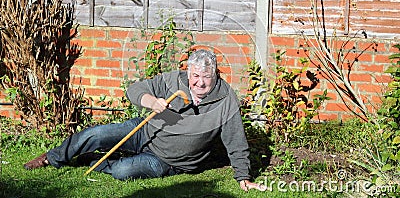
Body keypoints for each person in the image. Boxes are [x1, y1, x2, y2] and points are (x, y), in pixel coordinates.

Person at [24, 49, 266, 192]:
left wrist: (243, 176)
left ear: (215, 75)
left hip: (169, 160)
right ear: (188, 72)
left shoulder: (225, 99)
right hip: (144, 131)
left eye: (206, 77)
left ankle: (96, 160)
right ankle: (52, 158)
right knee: (95, 134)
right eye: (195, 75)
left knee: (123, 171)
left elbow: (236, 140)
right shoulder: (174, 80)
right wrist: (152, 102)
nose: (200, 83)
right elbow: (135, 89)